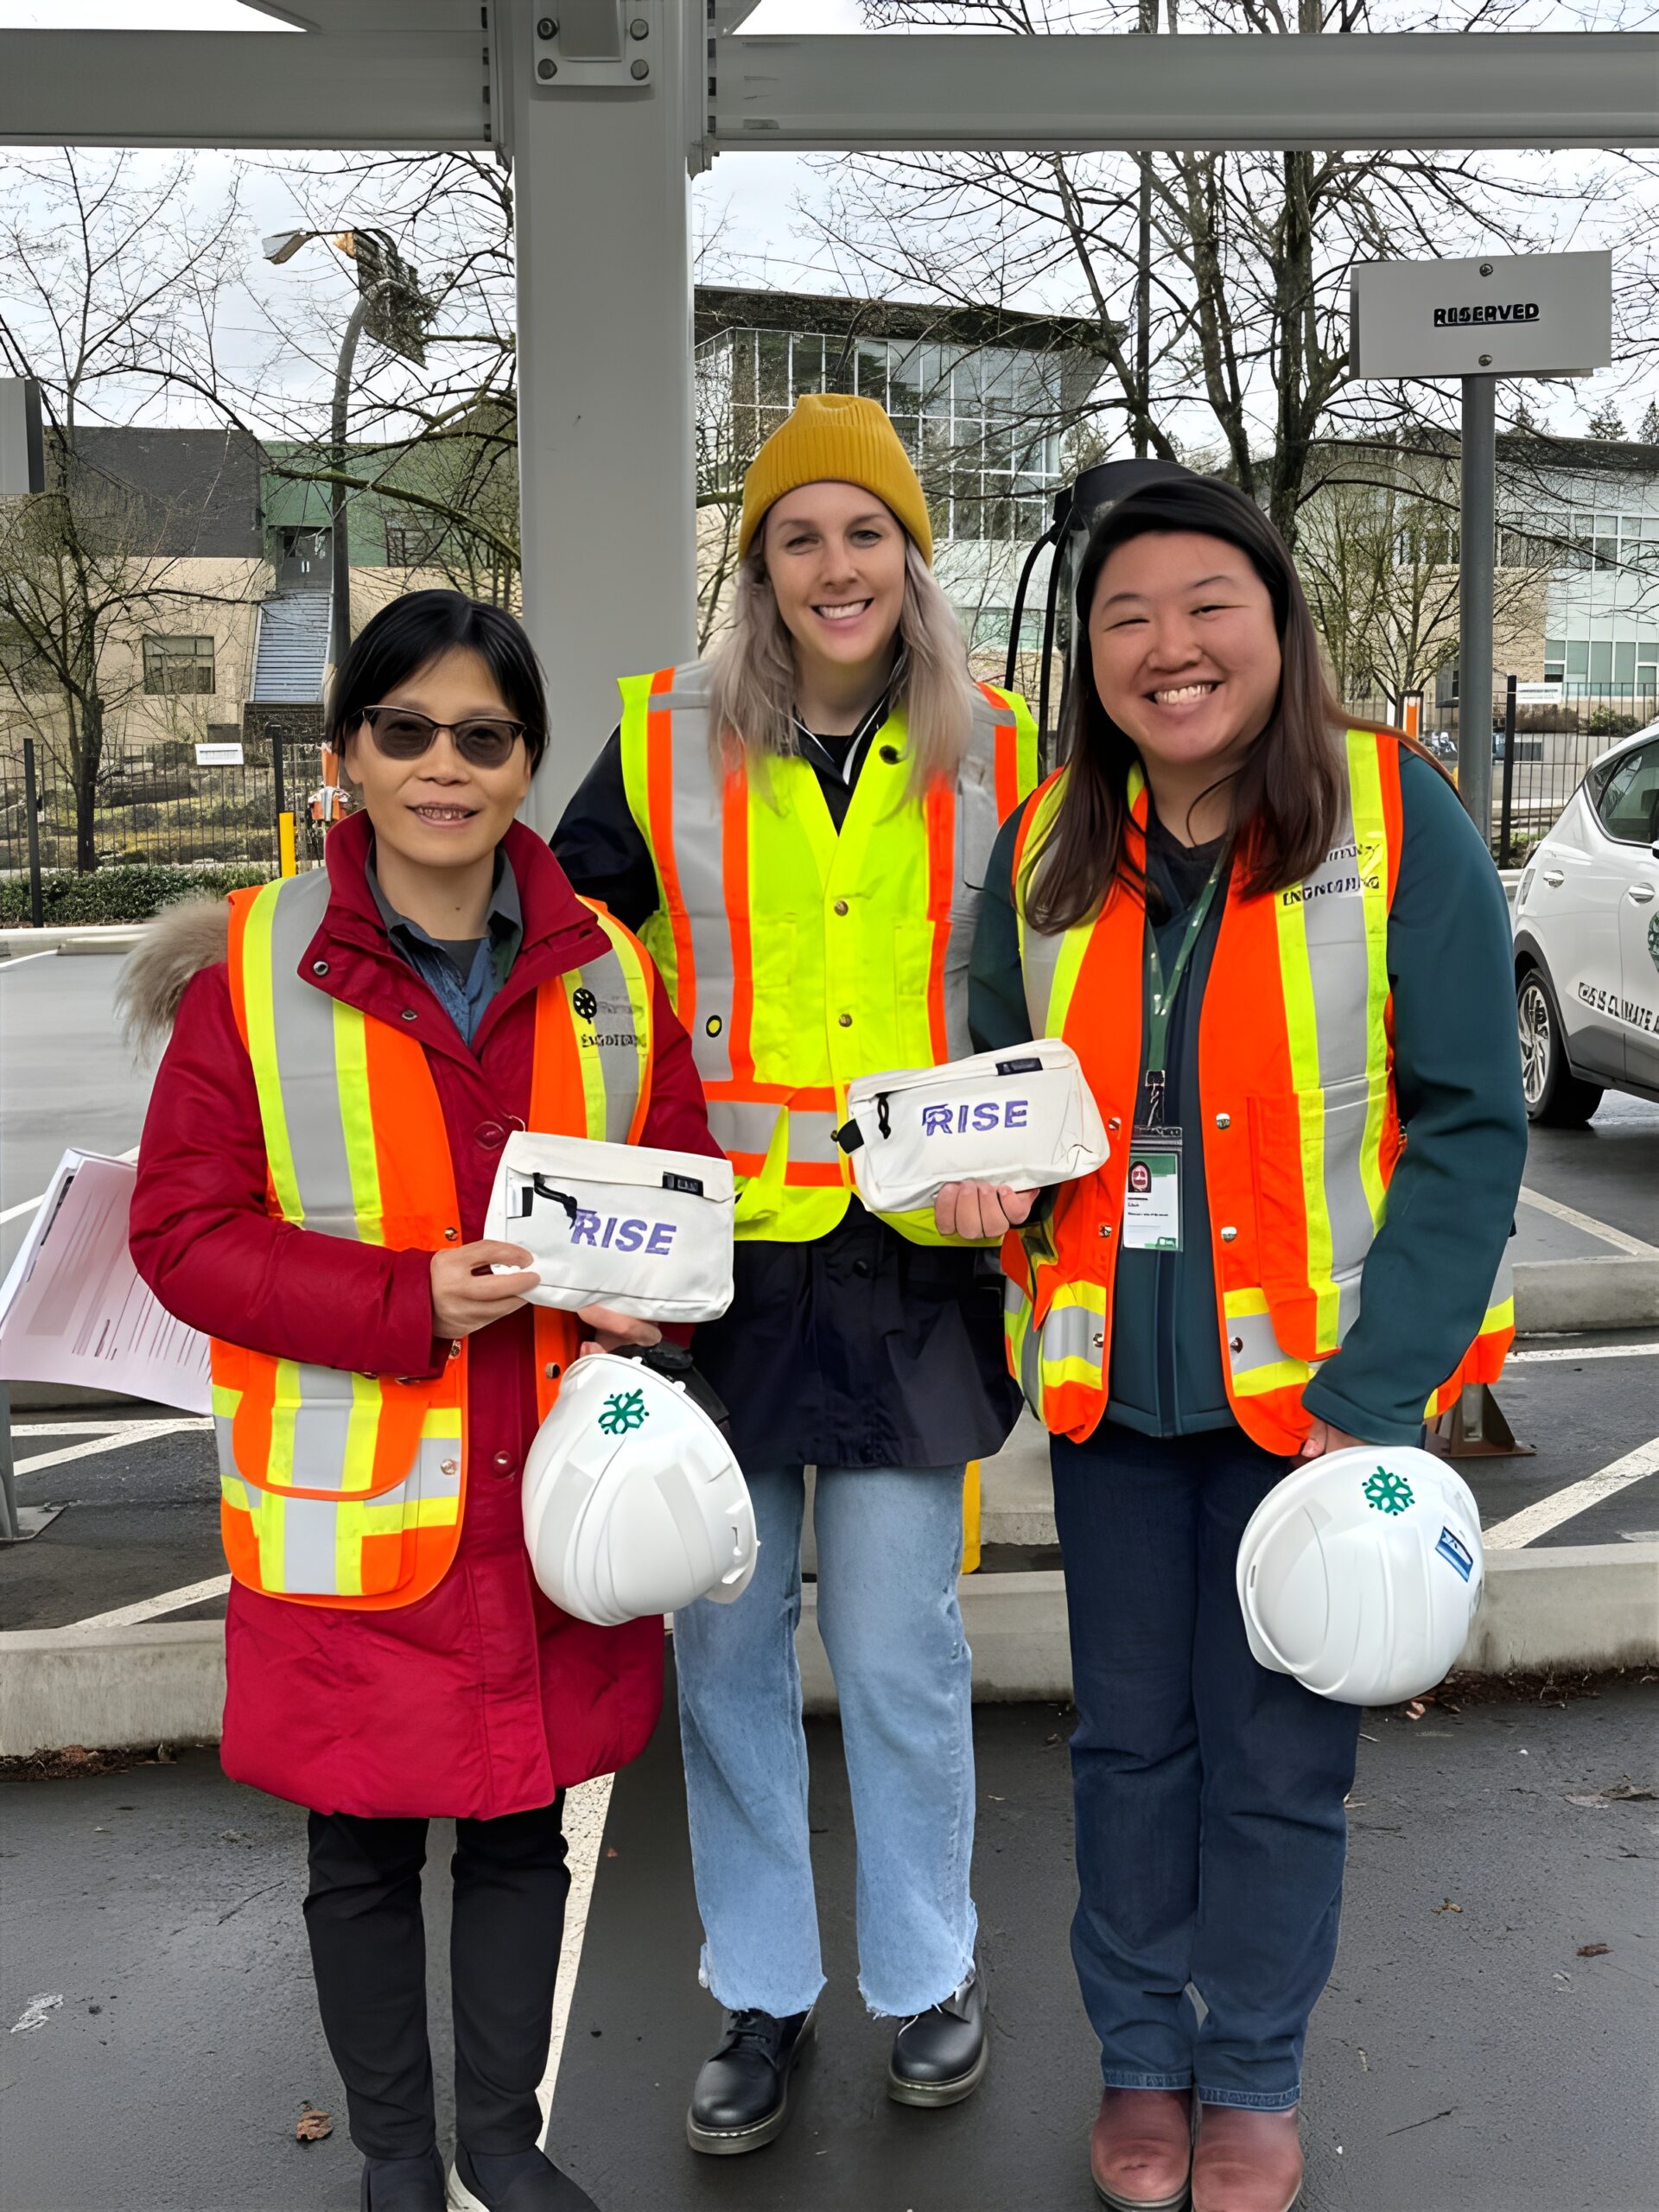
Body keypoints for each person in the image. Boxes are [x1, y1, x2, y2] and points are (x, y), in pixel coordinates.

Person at [950, 475, 1526, 2212]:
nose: (1170, 646)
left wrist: (1379, 1389)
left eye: (1210, 604)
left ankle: (1254, 2069)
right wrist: (983, 1178)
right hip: (1115, 1400)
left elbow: (1472, 1120)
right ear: (1089, 656)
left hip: (1320, 1413)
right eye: (1125, 616)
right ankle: (1143, 2056)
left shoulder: (1391, 812)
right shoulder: (1045, 843)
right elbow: (1004, 1086)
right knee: (1128, 1749)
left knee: (1279, 1761)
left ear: (1278, 623)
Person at [125, 590, 721, 2212]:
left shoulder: (609, 972)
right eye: (406, 731)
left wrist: (647, 1296)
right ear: (348, 754)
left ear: (527, 763)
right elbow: (180, 1234)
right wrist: (406, 1301)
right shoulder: (255, 969)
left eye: (483, 736)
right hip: (357, 1514)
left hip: (545, 1494)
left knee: (528, 1831)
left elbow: (680, 1196)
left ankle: (502, 2146)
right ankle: (400, 2156)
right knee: (362, 1852)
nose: (443, 766)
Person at [553, 391, 1039, 2153]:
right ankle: (759, 1992)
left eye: (865, 531)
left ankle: (926, 1972)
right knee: (727, 1647)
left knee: (901, 1646)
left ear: (912, 554)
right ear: (756, 567)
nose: (837, 567)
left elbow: (1061, 986)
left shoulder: (1004, 750)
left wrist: (1029, 1159)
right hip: (719, 1272)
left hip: (914, 1261)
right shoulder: (661, 740)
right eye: (798, 536)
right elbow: (557, 965)